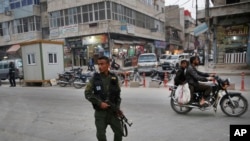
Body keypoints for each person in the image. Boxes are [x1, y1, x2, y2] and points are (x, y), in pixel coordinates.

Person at [85, 56, 123, 141]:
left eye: (102, 64)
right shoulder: (94, 79)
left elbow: (118, 95)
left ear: (108, 65)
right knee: (101, 135)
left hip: (113, 112)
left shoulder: (114, 78)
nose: (99, 66)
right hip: (100, 113)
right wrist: (99, 103)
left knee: (119, 133)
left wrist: (118, 108)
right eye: (98, 64)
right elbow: (87, 93)